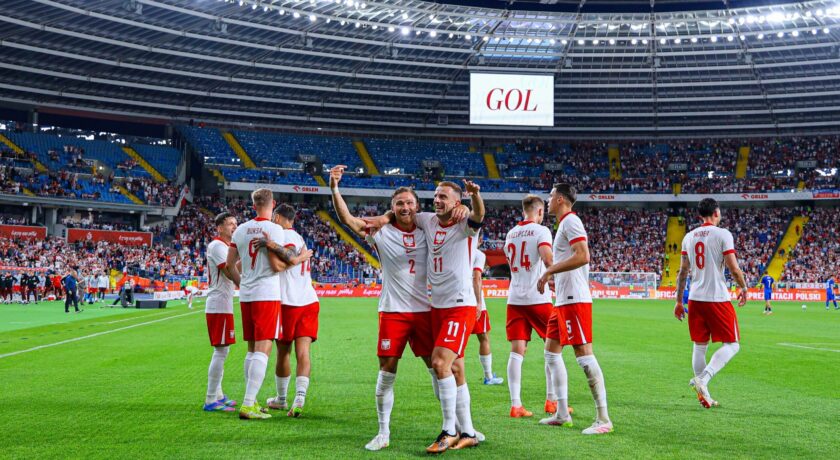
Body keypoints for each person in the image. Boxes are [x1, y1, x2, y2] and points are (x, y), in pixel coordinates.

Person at [330, 166, 436, 451]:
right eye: (399, 203)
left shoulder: (430, 228)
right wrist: (334, 188)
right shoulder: (381, 231)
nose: (405, 207)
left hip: (426, 311)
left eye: (409, 202)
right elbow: (348, 220)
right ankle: (383, 432)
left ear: (417, 206)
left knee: (438, 369)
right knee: (387, 371)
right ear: (392, 208)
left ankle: (455, 425)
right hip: (392, 311)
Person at [537, 183, 613, 435]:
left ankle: (603, 418)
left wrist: (549, 270)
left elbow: (583, 256)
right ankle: (561, 412)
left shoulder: (571, 222)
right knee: (550, 354)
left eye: (550, 196)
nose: (547, 200)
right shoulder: (563, 225)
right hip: (562, 300)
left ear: (560, 199)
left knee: (584, 355)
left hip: (574, 299)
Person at [227, 188, 305, 420]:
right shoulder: (274, 229)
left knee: (251, 350)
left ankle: (252, 400)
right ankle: (248, 404)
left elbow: (230, 265)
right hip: (267, 293)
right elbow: (278, 263)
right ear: (273, 204)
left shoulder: (240, 230)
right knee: (264, 348)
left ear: (253, 205)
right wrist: (300, 257)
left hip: (247, 295)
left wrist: (243, 284)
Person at [674, 197, 748, 409]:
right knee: (732, 344)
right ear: (716, 212)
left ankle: (703, 394)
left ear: (700, 215)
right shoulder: (723, 234)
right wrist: (743, 287)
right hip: (716, 297)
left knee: (699, 346)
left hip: (695, 299)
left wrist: (679, 301)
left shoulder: (689, 237)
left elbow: (682, 272)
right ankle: (703, 379)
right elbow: (734, 268)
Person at [504, 194, 566, 418]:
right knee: (553, 348)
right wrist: (558, 284)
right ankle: (552, 401)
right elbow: (548, 260)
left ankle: (516, 404)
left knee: (517, 352)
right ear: (540, 212)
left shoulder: (511, 234)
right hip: (538, 298)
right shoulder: (541, 231)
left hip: (514, 299)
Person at [266, 203, 320, 418]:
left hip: (289, 302)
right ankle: (299, 398)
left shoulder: (284, 235)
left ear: (278, 217)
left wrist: (271, 245)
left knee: (283, 352)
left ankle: (281, 399)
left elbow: (288, 255)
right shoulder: (300, 237)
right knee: (304, 352)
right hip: (308, 300)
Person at [202, 212, 240, 412]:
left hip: (224, 303)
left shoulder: (225, 247)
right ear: (219, 228)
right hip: (218, 304)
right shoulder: (217, 246)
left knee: (223, 350)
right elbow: (229, 271)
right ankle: (210, 399)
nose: (234, 227)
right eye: (229, 224)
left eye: (235, 223)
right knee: (220, 350)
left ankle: (218, 394)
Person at [470, 245, 503, 386]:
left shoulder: (454, 249)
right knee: (484, 338)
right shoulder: (478, 254)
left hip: (454, 303)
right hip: (474, 303)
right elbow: (477, 277)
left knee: (456, 341)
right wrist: (478, 302)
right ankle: (488, 377)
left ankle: (449, 375)